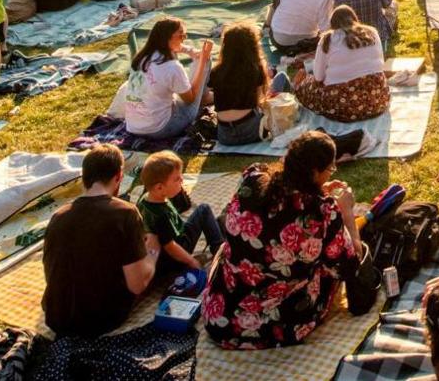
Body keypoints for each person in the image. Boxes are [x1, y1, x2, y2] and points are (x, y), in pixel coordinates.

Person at [203, 131, 365, 348]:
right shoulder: (321, 212)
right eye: (330, 168)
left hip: (221, 316)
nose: (330, 173)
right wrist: (346, 213)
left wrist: (316, 191)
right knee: (327, 265)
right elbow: (349, 264)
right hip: (282, 324)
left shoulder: (252, 180)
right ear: (316, 172)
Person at [42, 143, 158, 337]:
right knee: (158, 259)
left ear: (84, 178)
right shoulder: (125, 213)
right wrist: (152, 253)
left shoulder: (59, 216)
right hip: (100, 320)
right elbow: (137, 285)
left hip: (56, 316)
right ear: (118, 177)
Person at [291, 5, 390, 125]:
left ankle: (293, 87)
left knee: (304, 84)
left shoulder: (328, 39)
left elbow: (318, 77)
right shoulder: (372, 32)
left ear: (333, 25)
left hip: (342, 106)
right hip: (377, 100)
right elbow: (379, 62)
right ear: (354, 19)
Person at [117, 17, 213, 140]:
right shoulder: (172, 67)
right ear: (167, 37)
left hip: (134, 127)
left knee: (177, 89)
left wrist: (189, 50)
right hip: (160, 129)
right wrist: (203, 60)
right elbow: (190, 99)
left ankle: (205, 96)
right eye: (181, 36)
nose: (184, 39)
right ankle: (205, 97)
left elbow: (174, 47)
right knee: (204, 60)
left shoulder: (142, 57)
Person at [137, 150, 224, 279]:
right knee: (203, 210)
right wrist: (191, 261)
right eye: (177, 179)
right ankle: (219, 249)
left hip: (161, 255)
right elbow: (171, 246)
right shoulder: (162, 216)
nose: (182, 180)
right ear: (159, 188)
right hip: (176, 254)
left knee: (212, 221)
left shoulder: (145, 198)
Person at [212, 21, 273, 146]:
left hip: (224, 136)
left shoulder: (217, 71)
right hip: (251, 132)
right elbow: (260, 101)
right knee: (282, 79)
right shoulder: (254, 68)